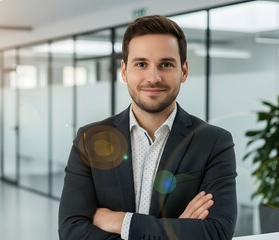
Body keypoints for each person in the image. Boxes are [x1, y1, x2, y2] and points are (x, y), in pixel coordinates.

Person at [58, 15, 237, 240]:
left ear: (183, 70)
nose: (153, 78)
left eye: (166, 64)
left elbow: (216, 232)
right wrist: (175, 230)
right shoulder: (89, 139)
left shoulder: (213, 142)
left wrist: (120, 221)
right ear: (124, 71)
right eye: (141, 64)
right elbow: (71, 230)